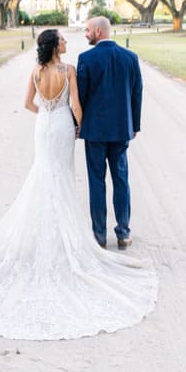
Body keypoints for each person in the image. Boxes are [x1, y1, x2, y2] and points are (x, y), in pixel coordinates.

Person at [0, 29, 157, 340]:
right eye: (62, 39)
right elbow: (76, 105)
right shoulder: (68, 70)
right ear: (55, 46)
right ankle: (76, 236)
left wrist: (46, 115)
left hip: (44, 126)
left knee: (43, 175)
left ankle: (44, 235)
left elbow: (27, 103)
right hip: (61, 125)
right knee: (60, 178)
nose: (66, 42)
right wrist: (75, 125)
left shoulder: (36, 71)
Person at [76, 16, 143, 250]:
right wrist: (134, 125)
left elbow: (81, 96)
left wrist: (78, 124)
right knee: (121, 179)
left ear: (98, 31)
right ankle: (123, 233)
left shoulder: (86, 59)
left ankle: (99, 236)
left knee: (97, 181)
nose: (85, 34)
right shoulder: (130, 57)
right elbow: (137, 93)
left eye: (87, 30)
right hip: (121, 129)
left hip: (94, 131)